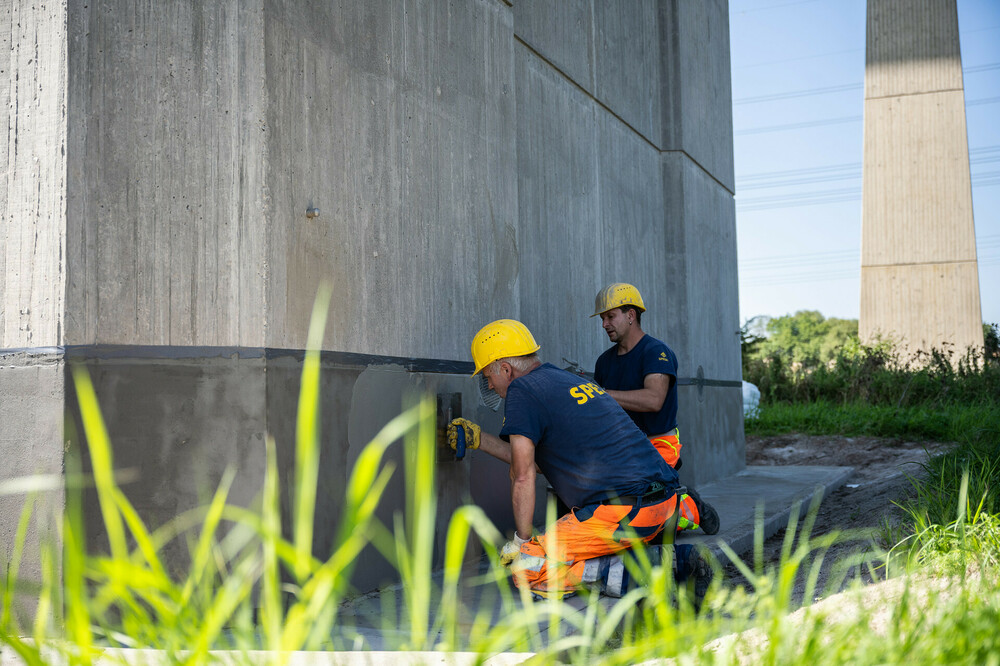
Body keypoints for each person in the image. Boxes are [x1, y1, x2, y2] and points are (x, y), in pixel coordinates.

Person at [447, 319, 711, 603]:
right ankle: (686, 515)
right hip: (663, 502)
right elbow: (540, 463)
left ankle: (666, 567)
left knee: (528, 568)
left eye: (488, 375)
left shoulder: (521, 391)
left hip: (624, 513)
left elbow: (523, 475)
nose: (488, 383)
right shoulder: (568, 380)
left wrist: (523, 544)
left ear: (506, 369)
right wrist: (482, 440)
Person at [591, 282, 719, 535]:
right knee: (621, 514)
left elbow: (653, 400)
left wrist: (602, 395)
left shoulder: (656, 352)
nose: (604, 324)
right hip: (623, 448)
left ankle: (688, 506)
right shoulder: (604, 362)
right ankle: (672, 501)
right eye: (603, 318)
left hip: (659, 443)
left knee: (652, 522)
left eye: (610, 316)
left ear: (631, 315)